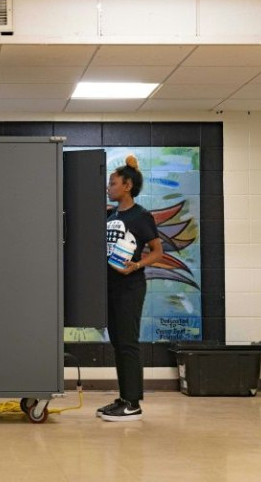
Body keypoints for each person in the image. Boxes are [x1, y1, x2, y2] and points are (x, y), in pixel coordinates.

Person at [98, 155, 163, 422]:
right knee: (118, 343)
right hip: (110, 287)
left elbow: (157, 251)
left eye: (112, 183)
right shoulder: (111, 214)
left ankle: (133, 402)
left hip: (130, 287)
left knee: (128, 343)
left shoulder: (141, 216)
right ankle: (124, 398)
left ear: (127, 186)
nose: (108, 187)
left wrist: (136, 266)